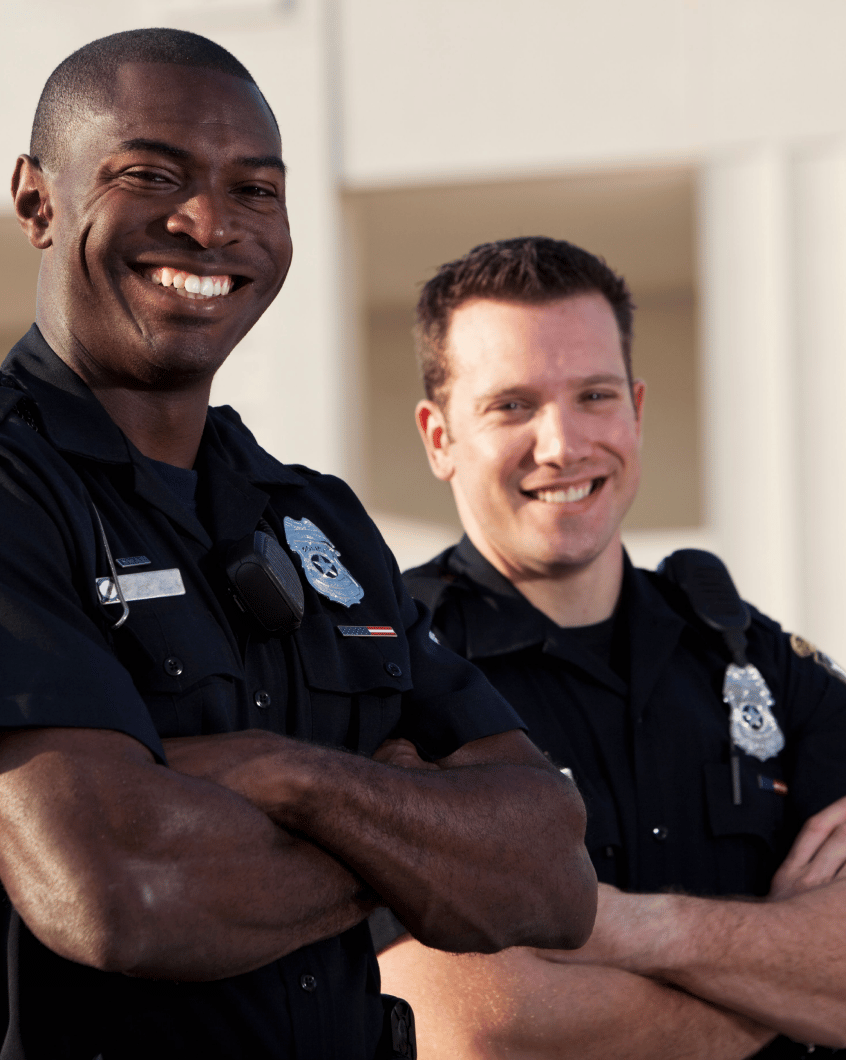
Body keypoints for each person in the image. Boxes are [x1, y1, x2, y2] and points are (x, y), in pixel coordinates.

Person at [0, 39, 596, 1060]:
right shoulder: (18, 494)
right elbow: (117, 890)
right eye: (151, 174)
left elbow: (549, 870)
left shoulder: (313, 518)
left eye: (256, 189)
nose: (210, 223)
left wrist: (288, 777)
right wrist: (421, 843)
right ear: (38, 201)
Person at [377, 235, 846, 1059]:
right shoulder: (383, 675)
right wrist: (781, 972)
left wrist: (628, 929)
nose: (562, 444)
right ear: (439, 436)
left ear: (635, 408)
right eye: (512, 405)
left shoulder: (759, 663)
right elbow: (471, 1022)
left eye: (593, 395)